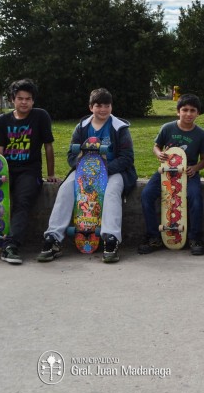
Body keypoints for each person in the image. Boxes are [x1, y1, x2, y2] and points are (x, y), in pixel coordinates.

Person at [38, 88, 136, 264]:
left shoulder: (119, 128)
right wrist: (83, 168)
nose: (103, 109)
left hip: (114, 171)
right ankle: (53, 237)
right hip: (84, 171)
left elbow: (127, 158)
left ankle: (111, 239)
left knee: (112, 191)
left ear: (111, 107)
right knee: (66, 188)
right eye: (98, 105)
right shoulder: (82, 127)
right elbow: (71, 155)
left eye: (107, 105)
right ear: (91, 107)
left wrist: (103, 171)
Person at [0, 79, 58, 265]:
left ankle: (11, 245)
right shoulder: (3, 120)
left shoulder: (40, 116)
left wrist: (51, 174)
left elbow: (48, 146)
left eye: (28, 99)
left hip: (30, 171)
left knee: (22, 201)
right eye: (20, 98)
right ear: (13, 99)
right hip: (7, 170)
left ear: (33, 100)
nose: (24, 102)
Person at [140, 94, 204, 255]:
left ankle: (195, 237)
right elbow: (156, 146)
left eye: (192, 110)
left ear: (198, 113)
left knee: (195, 197)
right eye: (185, 110)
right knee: (146, 195)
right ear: (178, 111)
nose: (188, 114)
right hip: (166, 172)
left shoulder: (201, 134)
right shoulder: (167, 128)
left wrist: (195, 168)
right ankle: (153, 236)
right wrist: (159, 154)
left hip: (188, 173)